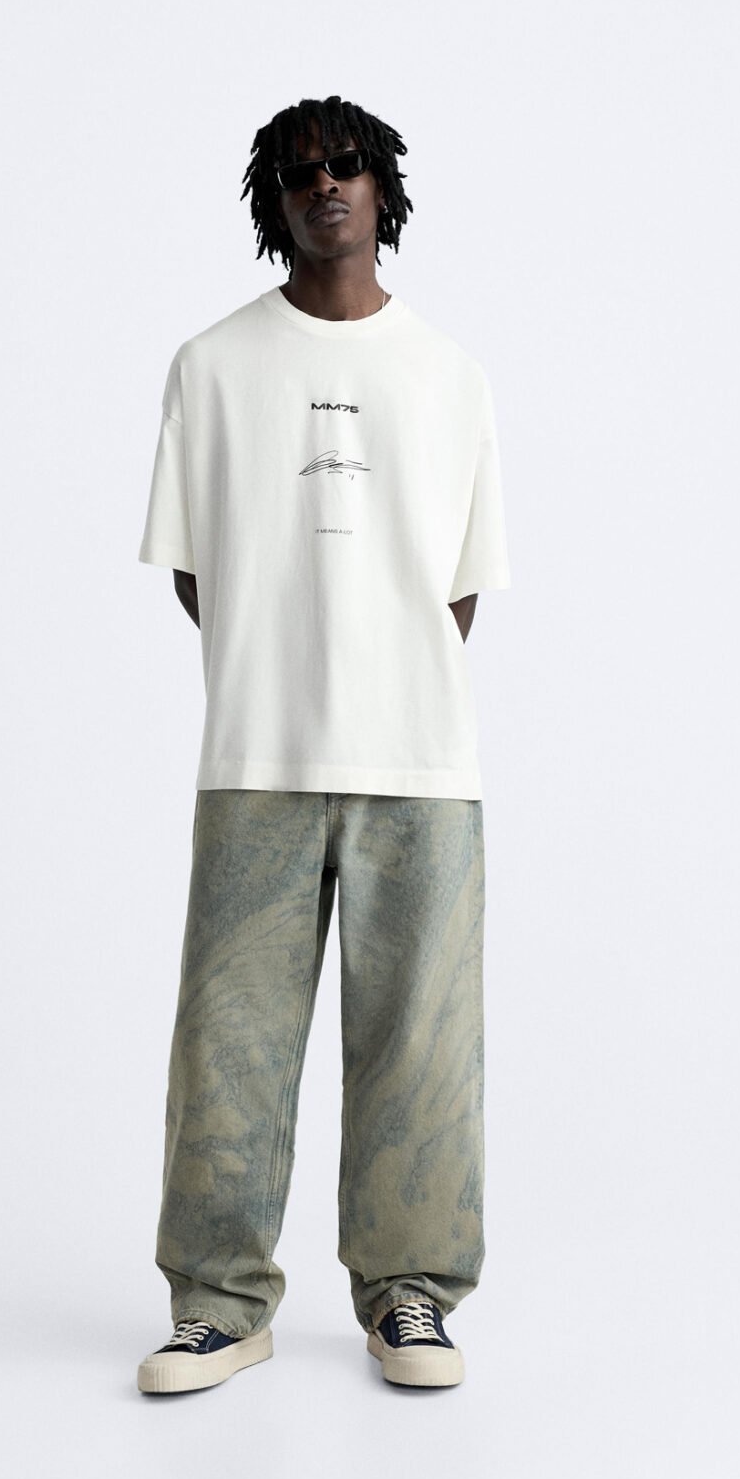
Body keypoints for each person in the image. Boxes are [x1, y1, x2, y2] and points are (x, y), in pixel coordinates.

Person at [135, 95, 511, 1394]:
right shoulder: (210, 366)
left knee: (422, 1045)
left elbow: (458, 590)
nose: (326, 186)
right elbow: (198, 573)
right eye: (300, 173)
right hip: (258, 754)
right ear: (275, 200)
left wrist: (380, 668)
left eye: (347, 165)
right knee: (227, 1043)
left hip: (421, 763)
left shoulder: (449, 374)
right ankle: (218, 1304)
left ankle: (410, 1295)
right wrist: (288, 660)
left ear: (382, 188)